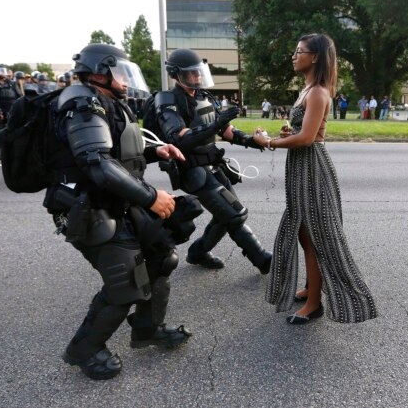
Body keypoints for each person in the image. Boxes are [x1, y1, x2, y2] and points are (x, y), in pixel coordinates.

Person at [45, 44, 193, 381]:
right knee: (126, 283)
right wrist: (151, 196)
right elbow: (98, 164)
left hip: (116, 202)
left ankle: (147, 328)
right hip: (90, 208)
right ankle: (84, 349)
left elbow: (119, 151)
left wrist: (157, 151)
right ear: (99, 73)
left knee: (160, 258)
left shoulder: (105, 102)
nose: (126, 81)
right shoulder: (82, 104)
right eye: (120, 73)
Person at [252, 33, 377, 325]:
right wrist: (287, 134)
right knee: (302, 232)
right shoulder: (307, 90)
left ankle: (314, 304)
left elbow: (308, 138)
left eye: (300, 51)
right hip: (301, 167)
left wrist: (268, 142)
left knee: (315, 237)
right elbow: (302, 132)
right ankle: (311, 287)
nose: (294, 56)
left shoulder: (319, 92)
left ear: (316, 57)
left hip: (312, 169)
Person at [152, 48, 272, 274]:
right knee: (234, 214)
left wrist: (250, 141)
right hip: (192, 170)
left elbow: (226, 130)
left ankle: (198, 252)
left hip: (214, 165)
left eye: (199, 72)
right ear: (176, 74)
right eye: (191, 73)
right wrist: (216, 125)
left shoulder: (204, 97)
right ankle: (263, 259)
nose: (197, 77)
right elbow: (179, 138)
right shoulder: (168, 100)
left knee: (225, 214)